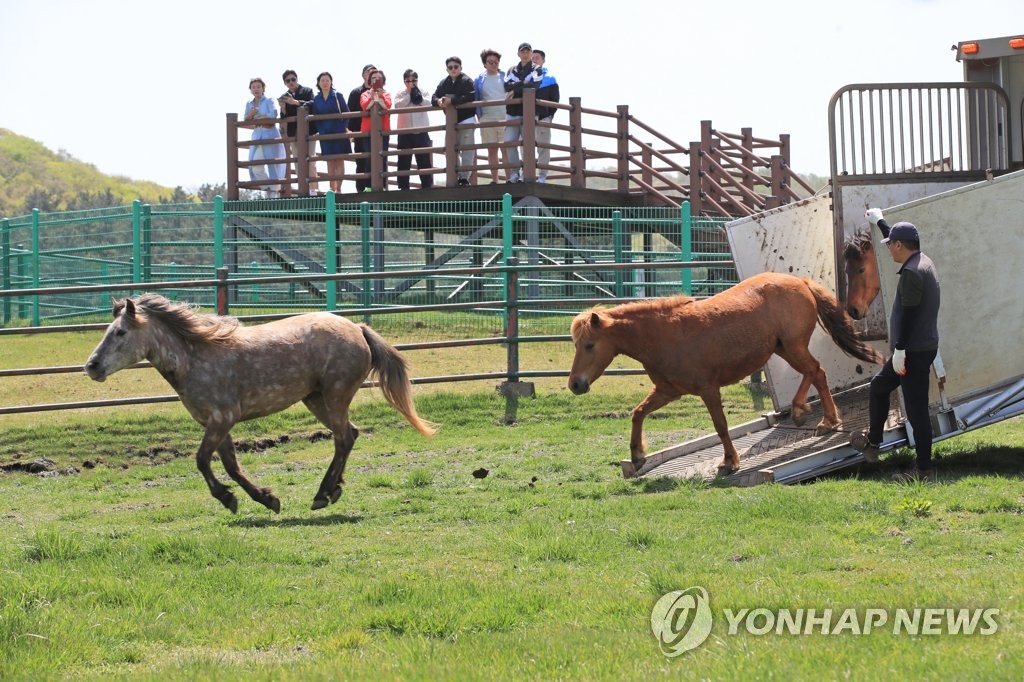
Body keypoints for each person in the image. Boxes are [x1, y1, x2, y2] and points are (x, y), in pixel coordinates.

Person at [851, 209, 941, 479]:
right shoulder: (921, 260)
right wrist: (879, 221)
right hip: (915, 348)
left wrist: (900, 350)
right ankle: (874, 444)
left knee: (916, 410)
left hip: (913, 350)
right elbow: (896, 236)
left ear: (901, 246)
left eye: (891, 245)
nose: (889, 249)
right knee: (879, 387)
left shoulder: (913, 274)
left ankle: (924, 469)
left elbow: (911, 316)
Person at [431, 56, 477, 187]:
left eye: (456, 67)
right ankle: (453, 177)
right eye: (450, 67)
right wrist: (438, 101)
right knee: (450, 149)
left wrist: (453, 100)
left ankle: (464, 179)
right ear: (447, 69)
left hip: (466, 119)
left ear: (461, 68)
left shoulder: (467, 80)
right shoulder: (444, 83)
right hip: (451, 123)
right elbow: (434, 97)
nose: (453, 69)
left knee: (467, 150)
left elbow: (470, 96)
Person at [277, 70, 319, 196]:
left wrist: (295, 102)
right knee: (297, 161)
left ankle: (313, 190)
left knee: (310, 160)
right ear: (285, 83)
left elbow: (312, 105)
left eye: (293, 79)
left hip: (309, 132)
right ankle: (302, 191)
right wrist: (283, 107)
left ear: (297, 79)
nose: (291, 82)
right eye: (288, 80)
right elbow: (283, 117)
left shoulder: (307, 91)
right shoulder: (284, 95)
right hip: (294, 133)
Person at [243, 77, 285, 198]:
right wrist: (250, 115)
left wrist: (259, 117)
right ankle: (267, 189)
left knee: (273, 166)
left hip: (270, 134)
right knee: (255, 165)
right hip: (257, 136)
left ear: (263, 88)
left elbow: (273, 114)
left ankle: (274, 196)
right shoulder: (249, 104)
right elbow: (246, 119)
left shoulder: (269, 100)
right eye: (253, 87)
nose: (256, 89)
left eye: (258, 87)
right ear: (250, 89)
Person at [310, 71, 351, 193]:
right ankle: (331, 189)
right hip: (325, 133)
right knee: (330, 162)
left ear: (331, 82)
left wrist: (343, 127)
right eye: (322, 80)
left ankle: (339, 189)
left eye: (327, 80)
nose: (325, 82)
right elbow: (315, 116)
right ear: (318, 83)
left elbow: (347, 113)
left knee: (339, 160)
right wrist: (320, 129)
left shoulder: (338, 95)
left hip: (339, 132)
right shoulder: (316, 99)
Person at [393, 69, 434, 190]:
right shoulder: (400, 93)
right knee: (404, 161)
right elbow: (397, 105)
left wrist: (418, 95)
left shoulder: (424, 91)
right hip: (404, 132)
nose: (411, 83)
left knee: (424, 160)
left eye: (413, 80)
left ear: (417, 80)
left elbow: (429, 103)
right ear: (404, 81)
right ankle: (403, 187)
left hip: (421, 131)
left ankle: (427, 186)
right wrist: (409, 95)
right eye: (408, 80)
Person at [502, 42, 536, 183]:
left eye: (528, 51)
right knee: (509, 142)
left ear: (531, 53)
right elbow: (505, 86)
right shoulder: (511, 69)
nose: (525, 53)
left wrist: (514, 88)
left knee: (527, 144)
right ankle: (515, 173)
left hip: (528, 112)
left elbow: (533, 85)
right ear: (518, 54)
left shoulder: (537, 69)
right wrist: (521, 85)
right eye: (523, 51)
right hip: (512, 112)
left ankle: (526, 174)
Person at [526, 49, 560, 183]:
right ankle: (526, 174)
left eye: (537, 58)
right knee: (524, 146)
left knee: (543, 146)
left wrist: (549, 116)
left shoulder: (550, 78)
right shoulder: (525, 77)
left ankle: (542, 175)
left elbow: (555, 100)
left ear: (543, 60)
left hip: (543, 117)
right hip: (527, 117)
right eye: (532, 58)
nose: (534, 60)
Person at [474, 49, 507, 184]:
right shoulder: (479, 79)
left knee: (506, 149)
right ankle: (495, 180)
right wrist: (479, 116)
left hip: (505, 116)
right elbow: (476, 97)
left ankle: (510, 178)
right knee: (492, 150)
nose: (493, 64)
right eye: (490, 62)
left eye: (496, 62)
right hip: (487, 117)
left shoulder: (506, 76)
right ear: (485, 64)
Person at [359, 68, 392, 191]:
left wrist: (380, 96)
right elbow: (365, 106)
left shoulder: (386, 93)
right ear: (369, 80)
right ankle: (368, 186)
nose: (376, 80)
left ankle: (382, 186)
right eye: (373, 78)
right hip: (368, 131)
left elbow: (387, 106)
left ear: (383, 81)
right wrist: (373, 98)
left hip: (383, 130)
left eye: (379, 78)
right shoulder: (365, 93)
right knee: (369, 158)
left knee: (382, 157)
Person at [348, 64, 375, 192]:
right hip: (359, 132)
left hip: (376, 132)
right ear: (363, 75)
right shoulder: (356, 92)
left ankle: (377, 188)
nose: (371, 74)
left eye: (373, 72)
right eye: (368, 71)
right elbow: (349, 114)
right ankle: (361, 191)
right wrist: (350, 132)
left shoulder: (381, 91)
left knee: (378, 160)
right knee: (361, 162)